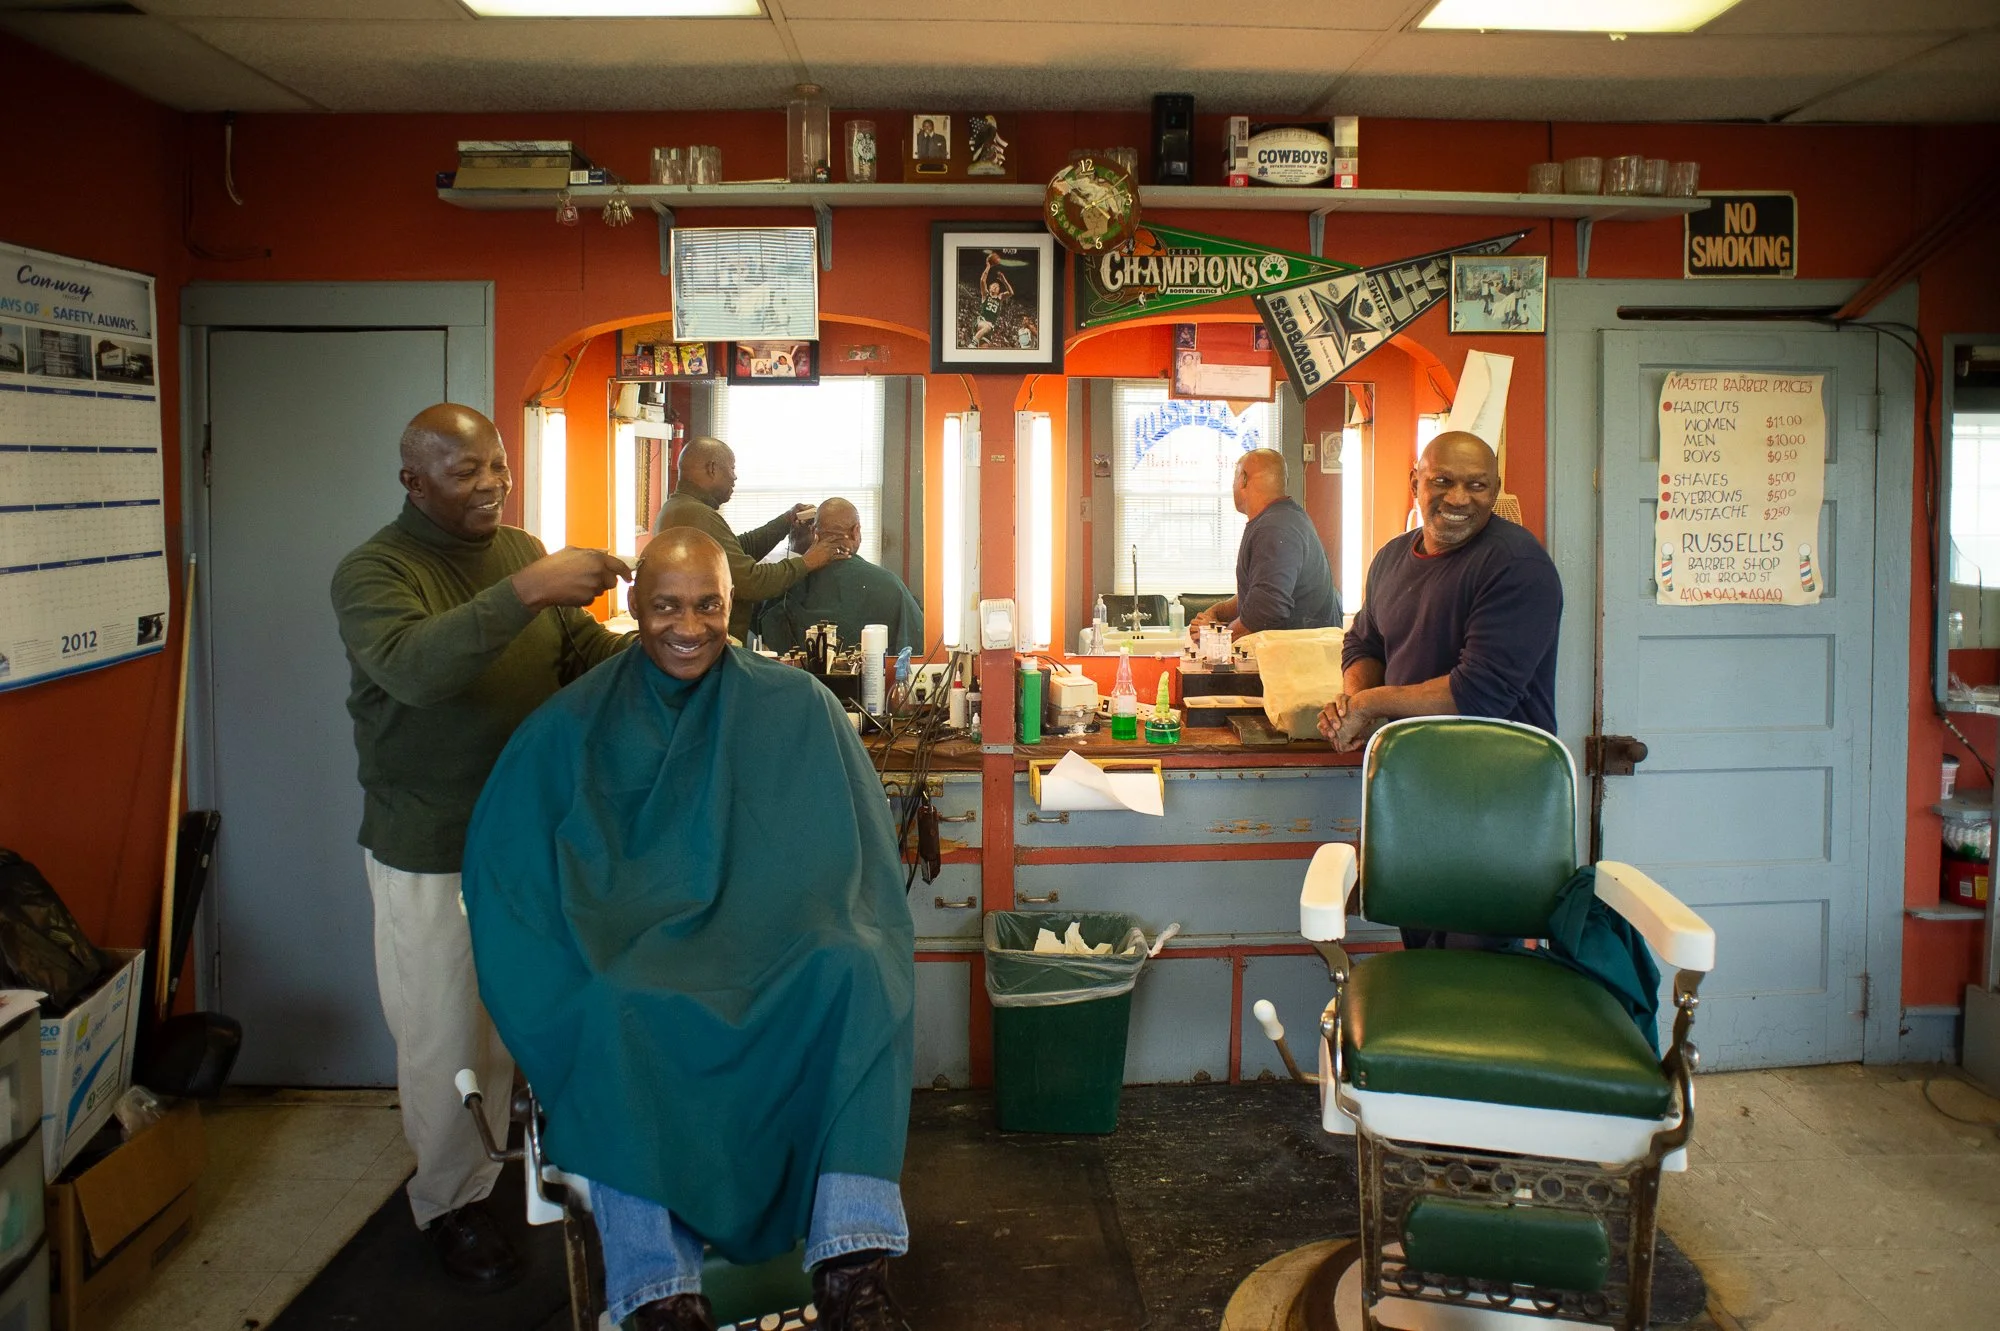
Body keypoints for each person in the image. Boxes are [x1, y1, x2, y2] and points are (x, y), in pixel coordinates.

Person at [461, 529, 916, 1331]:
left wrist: (837, 930)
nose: (689, 624)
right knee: (607, 1007)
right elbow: (510, 853)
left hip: (773, 943)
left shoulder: (794, 703)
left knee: (856, 970)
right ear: (632, 605)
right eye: (666, 604)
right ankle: (659, 1295)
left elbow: (856, 864)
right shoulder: (577, 720)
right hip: (633, 953)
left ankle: (854, 1268)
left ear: (734, 605)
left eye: (709, 604)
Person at [330, 403, 632, 1287]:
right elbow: (418, 668)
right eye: (466, 472)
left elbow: (570, 648)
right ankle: (450, 1203)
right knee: (442, 1033)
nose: (493, 483)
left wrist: (663, 638)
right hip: (430, 845)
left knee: (518, 1020)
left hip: (525, 840)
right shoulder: (375, 571)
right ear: (413, 481)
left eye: (497, 464)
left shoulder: (514, 549)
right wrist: (534, 586)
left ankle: (525, 1165)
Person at [1320, 431, 1562, 949]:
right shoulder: (1390, 558)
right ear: (1416, 482)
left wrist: (1367, 705)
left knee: (1479, 988)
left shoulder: (1517, 567)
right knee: (1423, 960)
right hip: (1413, 798)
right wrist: (1349, 704)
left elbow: (1478, 694)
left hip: (1496, 806)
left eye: (1477, 486)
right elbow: (1364, 643)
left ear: (1495, 490)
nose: (1457, 498)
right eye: (1442, 481)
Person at [652, 435, 847, 641]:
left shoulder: (679, 509)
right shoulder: (696, 515)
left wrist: (785, 521)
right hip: (709, 644)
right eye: (732, 468)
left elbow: (739, 549)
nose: (735, 477)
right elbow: (751, 582)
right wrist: (809, 561)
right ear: (712, 469)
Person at [1191, 448, 1341, 637]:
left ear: (1243, 480)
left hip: (1297, 661)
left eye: (1235, 478)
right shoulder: (1283, 519)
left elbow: (1266, 611)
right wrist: (1219, 611)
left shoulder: (1275, 527)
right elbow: (1261, 593)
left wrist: (1217, 639)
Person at [756, 498, 924, 654]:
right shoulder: (890, 586)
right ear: (855, 531)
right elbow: (916, 645)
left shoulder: (788, 584)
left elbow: (767, 630)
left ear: (815, 532)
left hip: (801, 683)